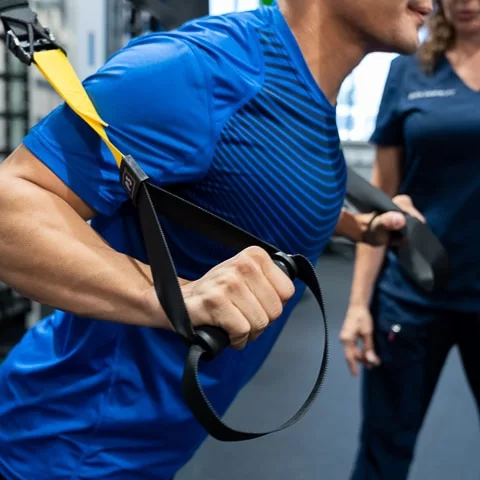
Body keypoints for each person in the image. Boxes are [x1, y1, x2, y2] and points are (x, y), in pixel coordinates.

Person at [0, 0, 432, 479]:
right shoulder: (203, 67)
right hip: (62, 444)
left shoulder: (306, 88)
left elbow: (256, 187)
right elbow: (9, 207)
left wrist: (362, 227)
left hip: (144, 451)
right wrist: (172, 296)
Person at [340, 0, 480, 479]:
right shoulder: (408, 71)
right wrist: (359, 303)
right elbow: (383, 200)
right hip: (414, 294)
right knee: (383, 453)